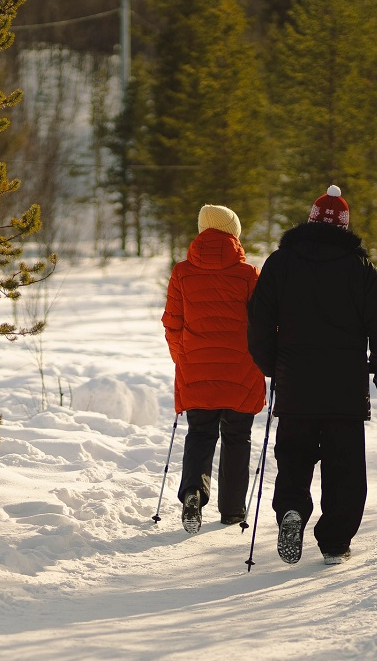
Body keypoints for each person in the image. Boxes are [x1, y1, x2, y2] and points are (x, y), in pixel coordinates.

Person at [246, 185, 377, 565]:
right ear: (344, 228)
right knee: (344, 467)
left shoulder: (280, 263)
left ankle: (292, 512)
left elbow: (258, 324)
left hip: (295, 384)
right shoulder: (360, 268)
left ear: (310, 222)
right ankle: (334, 543)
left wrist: (271, 367)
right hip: (345, 388)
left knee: (294, 459)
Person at [162, 204, 267, 534]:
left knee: (200, 435)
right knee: (237, 437)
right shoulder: (249, 274)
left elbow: (172, 323)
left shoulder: (182, 272)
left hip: (197, 369)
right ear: (234, 231)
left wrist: (184, 359)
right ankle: (233, 510)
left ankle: (194, 492)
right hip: (241, 370)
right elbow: (262, 325)